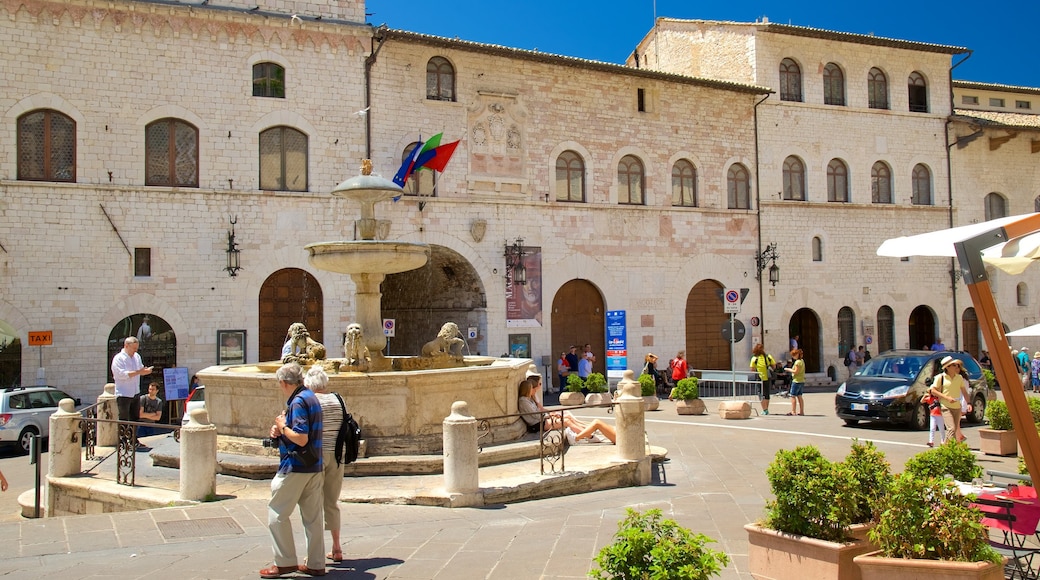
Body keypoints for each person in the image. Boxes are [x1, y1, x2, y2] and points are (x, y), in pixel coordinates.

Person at [261, 363, 325, 579]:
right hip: (314, 465)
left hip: (295, 466)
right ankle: (316, 563)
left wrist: (282, 426)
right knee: (313, 517)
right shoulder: (311, 396)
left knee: (276, 513)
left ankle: (284, 562)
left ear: (283, 383)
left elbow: (301, 437)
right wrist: (281, 429)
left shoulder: (297, 402)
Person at [305, 365, 346, 565]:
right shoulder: (338, 400)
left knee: (313, 504)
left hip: (317, 456)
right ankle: (337, 547)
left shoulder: (311, 402)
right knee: (332, 502)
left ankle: (315, 553)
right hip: (337, 456)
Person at [517, 380, 614, 443]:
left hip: (541, 420)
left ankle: (586, 432)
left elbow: (538, 412)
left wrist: (550, 415)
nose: (532, 391)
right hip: (537, 424)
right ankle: (589, 436)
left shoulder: (528, 399)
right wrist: (550, 416)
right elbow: (536, 415)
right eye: (531, 389)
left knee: (567, 418)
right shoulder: (523, 401)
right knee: (566, 421)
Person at [927, 356, 972, 445]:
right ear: (947, 367)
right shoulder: (940, 377)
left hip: (957, 407)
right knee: (951, 428)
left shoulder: (959, 377)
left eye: (956, 365)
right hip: (945, 406)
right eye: (953, 365)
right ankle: (949, 450)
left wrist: (969, 403)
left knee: (954, 430)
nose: (956, 367)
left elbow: (964, 392)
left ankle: (945, 448)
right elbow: (933, 390)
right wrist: (946, 397)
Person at [111, 337, 153, 425]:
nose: (135, 350)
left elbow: (140, 370)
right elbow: (121, 374)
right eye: (134, 348)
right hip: (124, 393)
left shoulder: (137, 356)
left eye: (136, 348)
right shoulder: (119, 358)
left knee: (135, 418)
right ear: (126, 346)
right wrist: (139, 372)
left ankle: (133, 438)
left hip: (135, 392)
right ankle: (123, 438)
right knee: (124, 419)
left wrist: (146, 371)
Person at [750, 343, 776, 415]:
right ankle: (766, 409)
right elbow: (774, 366)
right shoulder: (768, 357)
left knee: (760, 394)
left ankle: (764, 409)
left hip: (759, 377)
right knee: (767, 393)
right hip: (767, 377)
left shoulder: (754, 358)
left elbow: (752, 369)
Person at [783, 349, 805, 416]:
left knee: (793, 396)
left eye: (793, 355)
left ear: (797, 355)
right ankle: (801, 411)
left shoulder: (797, 362)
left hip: (796, 381)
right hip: (801, 380)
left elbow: (795, 371)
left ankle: (793, 411)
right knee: (799, 396)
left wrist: (788, 369)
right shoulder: (802, 361)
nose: (793, 357)